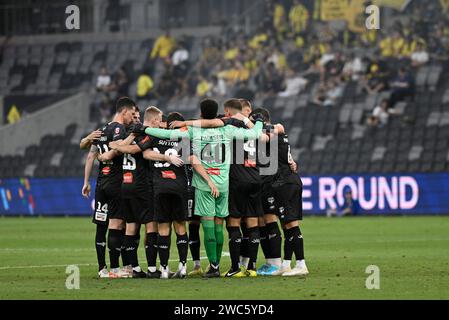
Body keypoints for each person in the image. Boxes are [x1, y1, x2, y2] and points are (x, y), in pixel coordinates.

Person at [144, 99, 265, 278]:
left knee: (207, 224)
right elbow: (255, 134)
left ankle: (214, 266)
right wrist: (258, 121)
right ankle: (218, 265)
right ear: (218, 113)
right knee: (218, 224)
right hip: (223, 183)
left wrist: (144, 129)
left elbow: (166, 135)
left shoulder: (193, 131)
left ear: (200, 113)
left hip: (204, 182)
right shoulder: (228, 129)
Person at [88, 97, 135, 278]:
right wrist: (107, 154)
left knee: (101, 227)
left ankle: (102, 269)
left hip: (101, 183)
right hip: (116, 182)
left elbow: (90, 155)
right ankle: (116, 268)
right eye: (131, 113)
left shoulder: (103, 128)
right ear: (124, 112)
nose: (132, 117)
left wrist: (86, 181)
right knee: (118, 224)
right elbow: (118, 149)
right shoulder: (120, 128)